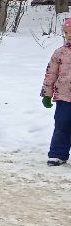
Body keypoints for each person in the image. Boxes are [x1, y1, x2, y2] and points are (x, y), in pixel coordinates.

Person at [40, 15, 71, 166]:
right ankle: (58, 154)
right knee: (62, 124)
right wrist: (47, 94)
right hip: (64, 97)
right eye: (66, 33)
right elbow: (51, 74)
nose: (69, 35)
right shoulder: (59, 53)